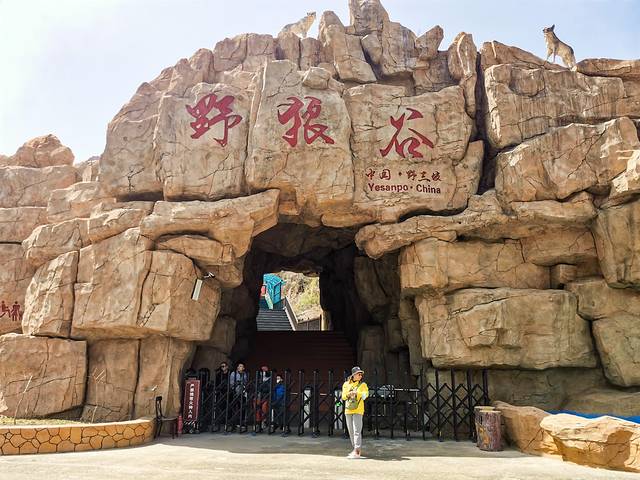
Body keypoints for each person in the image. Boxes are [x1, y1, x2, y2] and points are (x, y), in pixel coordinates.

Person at [341, 366, 369, 459]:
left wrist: (357, 393)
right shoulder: (346, 384)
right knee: (351, 431)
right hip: (348, 410)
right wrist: (349, 394)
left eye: (361, 374)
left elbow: (365, 395)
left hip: (358, 410)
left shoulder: (363, 385)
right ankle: (355, 449)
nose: (360, 376)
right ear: (353, 375)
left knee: (357, 431)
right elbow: (343, 397)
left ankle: (357, 451)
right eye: (358, 374)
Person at [229, 362, 249, 430]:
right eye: (240, 366)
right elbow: (231, 383)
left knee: (242, 408)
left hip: (242, 393)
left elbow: (245, 382)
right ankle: (233, 423)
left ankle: (241, 422)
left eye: (242, 366)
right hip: (235, 393)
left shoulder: (245, 374)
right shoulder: (233, 373)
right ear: (237, 367)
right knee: (234, 408)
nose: (241, 367)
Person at [214, 362, 230, 426]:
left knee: (228, 406)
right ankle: (221, 420)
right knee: (220, 406)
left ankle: (228, 420)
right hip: (221, 392)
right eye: (221, 367)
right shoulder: (218, 375)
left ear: (227, 367)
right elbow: (216, 383)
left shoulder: (230, 374)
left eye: (223, 366)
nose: (222, 368)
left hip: (228, 392)